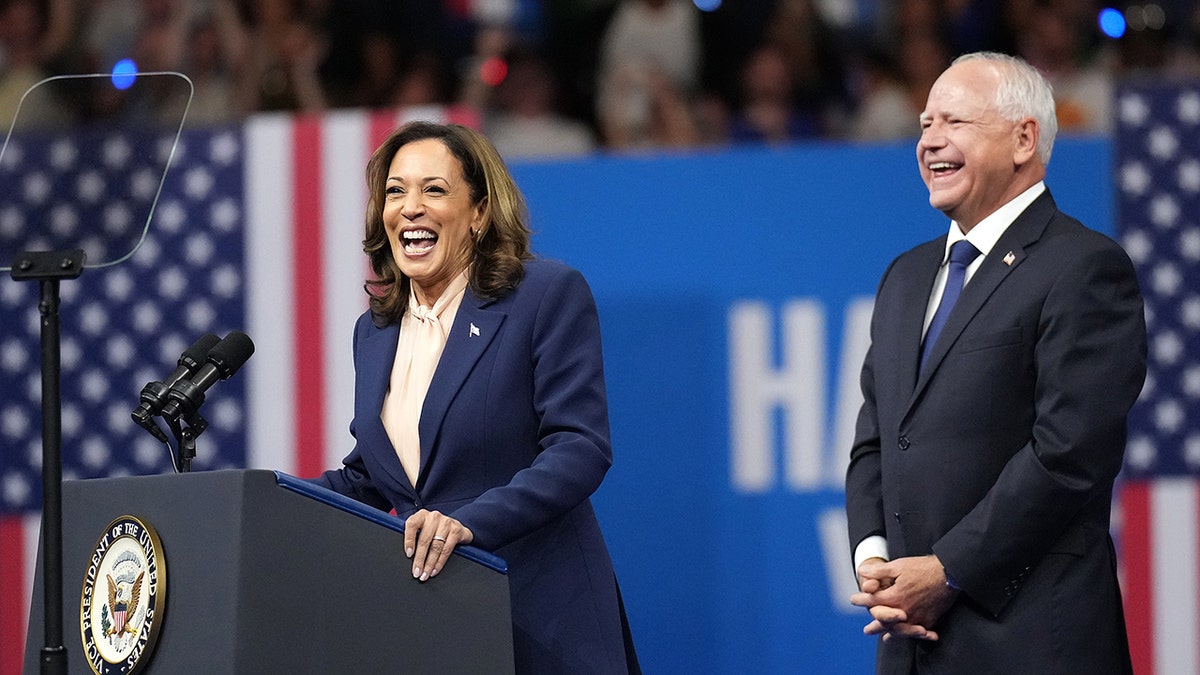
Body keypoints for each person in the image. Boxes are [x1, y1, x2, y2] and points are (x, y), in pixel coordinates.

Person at [844, 51, 1146, 673]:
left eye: (953, 122)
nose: (929, 142)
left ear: (1023, 138)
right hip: (911, 645)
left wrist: (947, 572)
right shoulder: (904, 278)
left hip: (1032, 642)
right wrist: (875, 562)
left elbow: (1067, 456)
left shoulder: (1083, 268)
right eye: (925, 124)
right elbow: (876, 442)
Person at [312, 121, 638, 673]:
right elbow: (372, 476)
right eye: (395, 191)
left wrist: (468, 522)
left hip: (543, 620)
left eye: (433, 190)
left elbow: (580, 447)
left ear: (480, 213)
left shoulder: (544, 296)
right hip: (440, 625)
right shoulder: (374, 331)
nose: (410, 207)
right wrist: (262, 498)